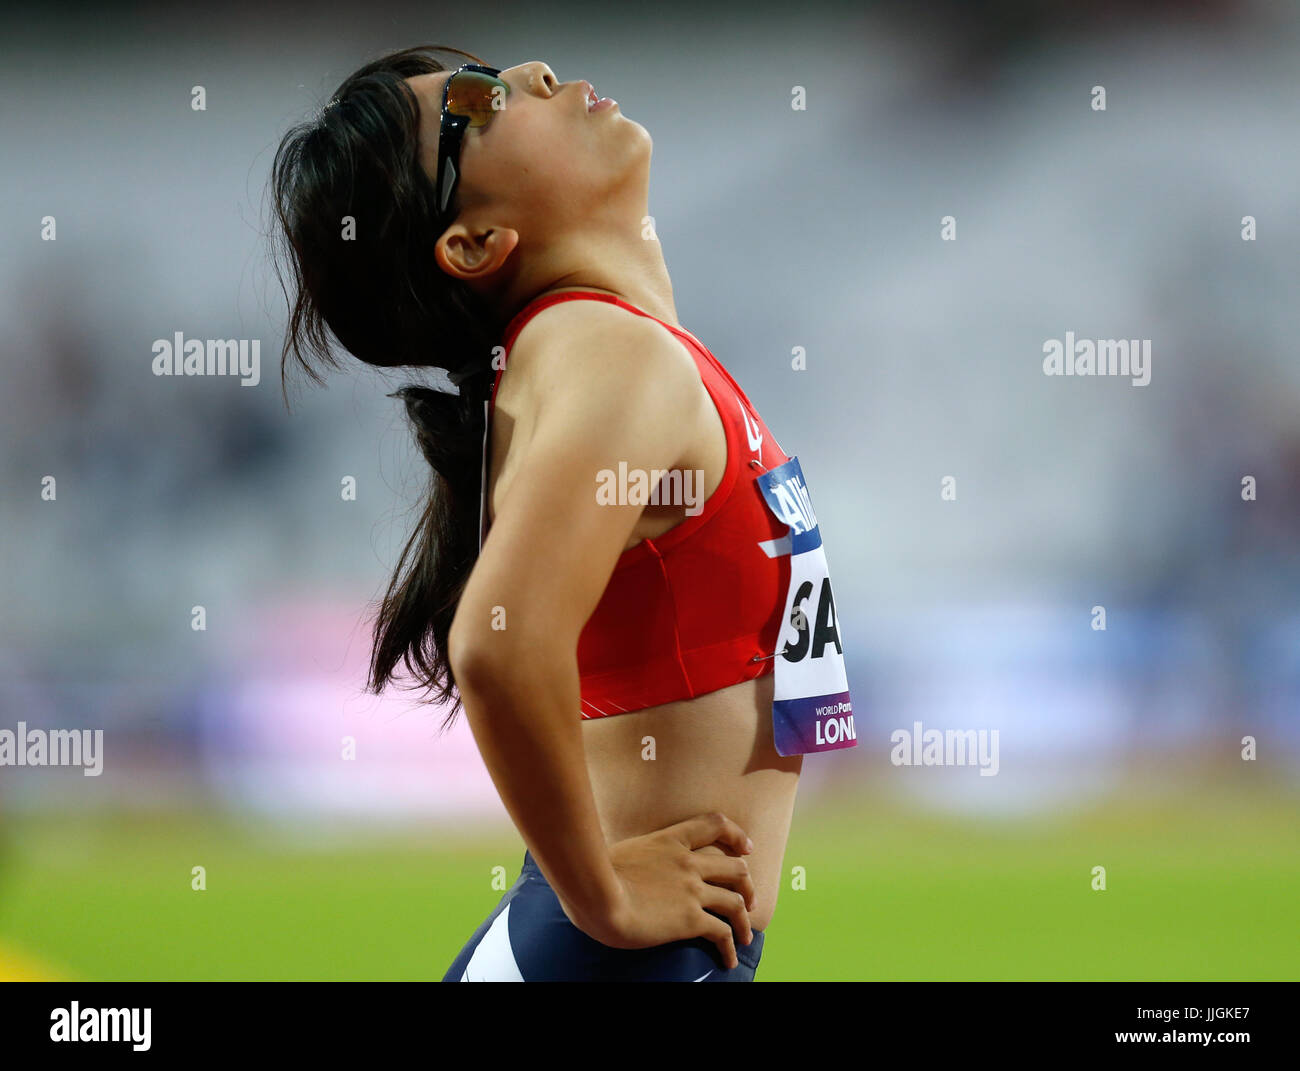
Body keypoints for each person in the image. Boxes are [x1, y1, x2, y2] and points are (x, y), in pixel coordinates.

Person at [270, 44, 856, 982]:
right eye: (477, 103)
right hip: (615, 956)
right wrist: (607, 899)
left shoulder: (593, 351)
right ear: (471, 243)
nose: (534, 72)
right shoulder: (610, 356)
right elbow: (499, 643)